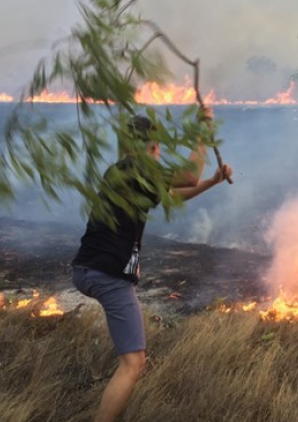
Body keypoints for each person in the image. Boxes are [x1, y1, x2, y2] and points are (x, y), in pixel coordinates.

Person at [71, 107, 232, 422]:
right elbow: (188, 174)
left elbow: (174, 195)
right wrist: (203, 129)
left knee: (131, 360)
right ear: (152, 146)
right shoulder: (137, 169)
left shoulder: (125, 172)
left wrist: (213, 181)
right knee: (133, 364)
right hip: (108, 273)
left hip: (89, 269)